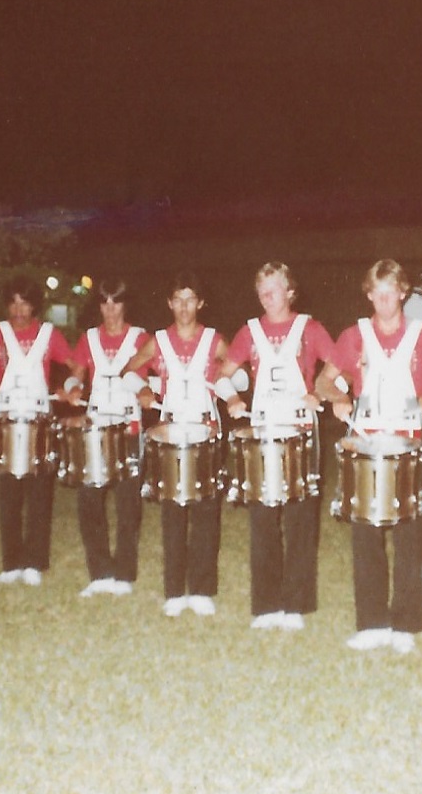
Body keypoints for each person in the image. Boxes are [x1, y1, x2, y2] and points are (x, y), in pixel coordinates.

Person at [316, 259, 422, 654]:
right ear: (369, 294)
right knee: (366, 531)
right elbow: (325, 381)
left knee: (410, 530)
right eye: (377, 293)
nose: (384, 299)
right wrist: (339, 398)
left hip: (409, 442)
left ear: (404, 293)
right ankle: (371, 620)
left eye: (391, 292)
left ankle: (406, 620)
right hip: (366, 443)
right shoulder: (354, 336)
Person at [222, 262, 336, 631]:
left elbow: (343, 369)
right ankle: (266, 604)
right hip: (262, 432)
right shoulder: (249, 332)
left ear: (290, 291)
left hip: (300, 432)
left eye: (275, 289)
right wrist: (231, 399)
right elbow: (220, 374)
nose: (268, 297)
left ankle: (296, 604)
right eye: (262, 291)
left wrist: (319, 390)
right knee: (263, 518)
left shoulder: (310, 328)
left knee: (301, 518)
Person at [124, 272, 236, 617]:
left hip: (205, 428)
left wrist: (227, 388)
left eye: (191, 299)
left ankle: (202, 588)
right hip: (170, 429)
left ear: (200, 303)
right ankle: (174, 589)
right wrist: (142, 389)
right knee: (173, 510)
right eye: (178, 299)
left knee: (205, 509)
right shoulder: (157, 341)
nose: (185, 306)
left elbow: (236, 371)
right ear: (169, 303)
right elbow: (130, 369)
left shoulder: (215, 340)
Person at [0, 278, 74, 586]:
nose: (19, 310)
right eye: (14, 303)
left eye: (25, 303)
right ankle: (11, 561)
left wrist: (67, 387)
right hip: (7, 418)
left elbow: (75, 365)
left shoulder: (48, 334)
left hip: (38, 419)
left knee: (39, 492)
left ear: (35, 306)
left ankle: (35, 561)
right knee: (9, 491)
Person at [62, 279, 148, 596]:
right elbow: (78, 372)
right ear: (99, 306)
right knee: (89, 500)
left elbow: (150, 374)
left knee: (128, 504)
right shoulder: (89, 339)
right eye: (105, 303)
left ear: (125, 305)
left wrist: (146, 390)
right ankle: (99, 572)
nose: (111, 309)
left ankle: (124, 573)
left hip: (129, 427)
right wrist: (72, 387)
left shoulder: (141, 338)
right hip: (96, 426)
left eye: (117, 302)